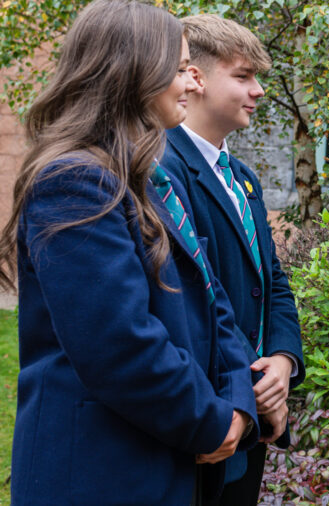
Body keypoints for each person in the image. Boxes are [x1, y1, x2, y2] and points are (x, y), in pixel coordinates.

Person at [0, 1, 259, 503]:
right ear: (135, 70)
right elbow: (118, 345)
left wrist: (237, 404)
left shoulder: (151, 177)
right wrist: (209, 422)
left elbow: (213, 301)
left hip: (164, 455)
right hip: (102, 469)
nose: (192, 82)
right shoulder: (73, 180)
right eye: (182, 68)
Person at [160, 14, 305, 504]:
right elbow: (195, 299)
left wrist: (283, 363)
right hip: (206, 413)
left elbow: (273, 281)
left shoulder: (242, 176)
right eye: (243, 76)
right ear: (195, 79)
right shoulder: (160, 170)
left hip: (253, 413)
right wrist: (248, 389)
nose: (259, 90)